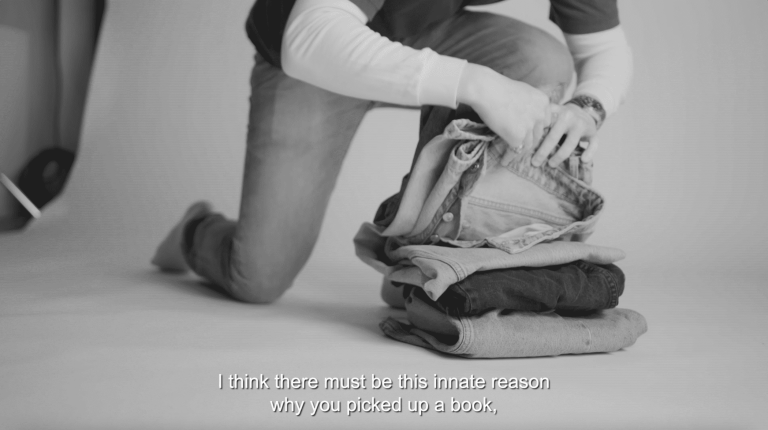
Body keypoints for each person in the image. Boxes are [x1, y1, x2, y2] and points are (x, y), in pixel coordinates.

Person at [151, 0, 633, 303]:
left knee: (539, 61)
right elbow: (311, 36)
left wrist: (588, 109)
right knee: (256, 278)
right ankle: (196, 230)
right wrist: (475, 84)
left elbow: (603, 48)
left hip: (423, 34)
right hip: (313, 55)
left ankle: (421, 265)